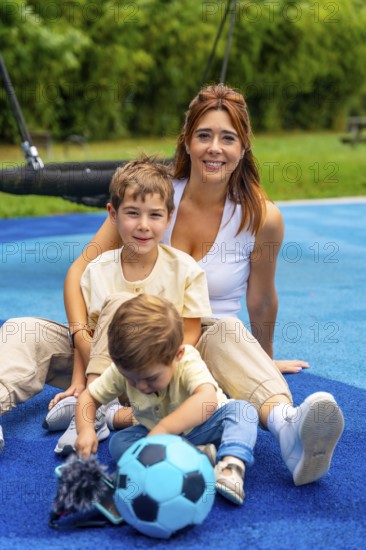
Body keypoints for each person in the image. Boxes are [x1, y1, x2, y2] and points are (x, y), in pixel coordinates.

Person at [0, 84, 344, 487]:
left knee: (229, 329)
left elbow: (262, 299)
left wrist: (263, 360)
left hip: (194, 352)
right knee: (23, 331)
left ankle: (289, 429)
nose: (215, 148)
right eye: (204, 135)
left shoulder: (261, 217)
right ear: (187, 141)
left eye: (227, 137)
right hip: (113, 355)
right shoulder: (149, 196)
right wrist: (83, 342)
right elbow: (81, 272)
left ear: (244, 146)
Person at [0, 156, 212, 454]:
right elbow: (85, 331)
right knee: (20, 329)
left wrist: (152, 366)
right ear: (113, 214)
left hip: (155, 374)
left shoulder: (184, 270)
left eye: (154, 215)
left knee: (122, 305)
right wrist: (78, 383)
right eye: (132, 213)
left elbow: (190, 337)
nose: (143, 225)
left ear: (168, 216)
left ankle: (101, 413)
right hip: (103, 368)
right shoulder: (98, 269)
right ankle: (91, 405)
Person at [75, 294, 259, 506]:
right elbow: (88, 397)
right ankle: (200, 455)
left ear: (177, 354)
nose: (141, 386)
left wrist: (164, 428)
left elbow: (206, 400)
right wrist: (86, 429)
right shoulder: (123, 369)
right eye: (131, 379)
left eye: (151, 378)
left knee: (242, 411)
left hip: (205, 426)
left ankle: (230, 466)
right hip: (160, 437)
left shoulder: (187, 359)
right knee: (118, 443)